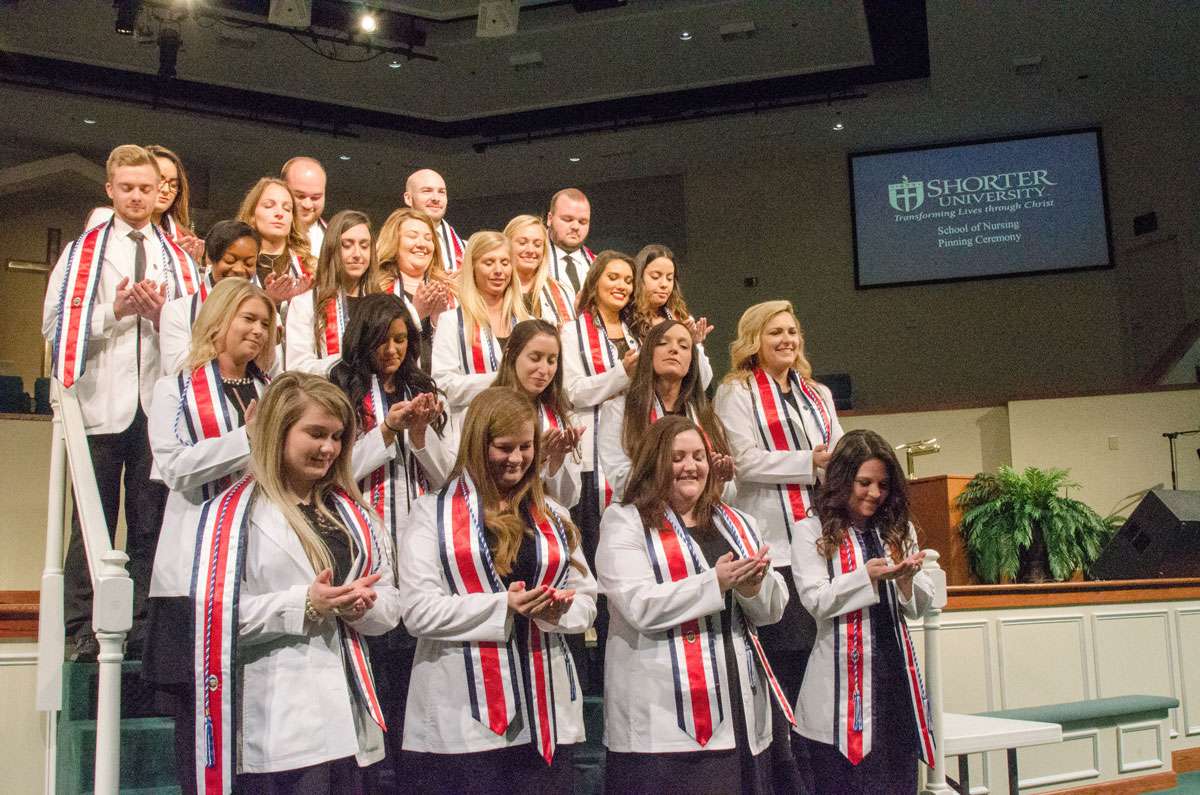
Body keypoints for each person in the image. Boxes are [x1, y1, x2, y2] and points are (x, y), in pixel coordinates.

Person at [188, 372, 401, 793]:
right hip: (281, 723)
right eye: (316, 433)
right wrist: (304, 604)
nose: (329, 448)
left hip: (351, 722)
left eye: (338, 437)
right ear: (279, 431)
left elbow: (391, 604)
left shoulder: (354, 514)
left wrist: (364, 606)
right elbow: (214, 623)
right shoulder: (229, 516)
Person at [42, 143, 203, 661]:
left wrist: (161, 317)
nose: (137, 196)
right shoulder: (83, 251)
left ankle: (141, 629)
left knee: (149, 520)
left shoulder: (176, 257)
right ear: (110, 190)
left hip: (156, 407)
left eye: (146, 188)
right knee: (93, 517)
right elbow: (53, 327)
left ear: (161, 194)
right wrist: (112, 311)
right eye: (127, 188)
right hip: (99, 405)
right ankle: (82, 627)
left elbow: (199, 330)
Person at [396, 387, 596, 794]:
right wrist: (503, 606)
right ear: (476, 443)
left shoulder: (553, 515)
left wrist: (558, 612)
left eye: (526, 446)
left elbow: (588, 598)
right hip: (462, 719)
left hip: (546, 713)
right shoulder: (430, 513)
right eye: (504, 447)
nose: (518, 459)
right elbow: (416, 612)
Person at [596, 416, 791, 795]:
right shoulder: (624, 522)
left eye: (699, 456)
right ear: (654, 463)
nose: (691, 466)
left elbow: (773, 609)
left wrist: (753, 587)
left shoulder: (738, 522)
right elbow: (639, 607)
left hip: (736, 707)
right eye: (677, 457)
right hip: (662, 717)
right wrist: (714, 582)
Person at [143, 277, 276, 792]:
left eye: (265, 323)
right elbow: (175, 469)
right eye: (248, 319)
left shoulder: (272, 390)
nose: (258, 331)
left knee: (255, 708)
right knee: (196, 719)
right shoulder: (173, 388)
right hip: (194, 568)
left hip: (257, 564)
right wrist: (247, 437)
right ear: (218, 321)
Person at [713, 299, 845, 791]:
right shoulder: (736, 392)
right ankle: (787, 774)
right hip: (774, 545)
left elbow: (841, 455)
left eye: (792, 331)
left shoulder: (819, 394)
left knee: (822, 660)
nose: (787, 340)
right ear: (754, 341)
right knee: (787, 664)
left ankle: (824, 767)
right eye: (775, 334)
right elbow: (744, 462)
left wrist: (835, 464)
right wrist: (810, 461)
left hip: (823, 544)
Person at [328, 292, 453, 790]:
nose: (394, 349)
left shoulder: (423, 388)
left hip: (419, 544)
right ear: (364, 337)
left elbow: (447, 478)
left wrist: (421, 434)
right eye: (384, 339)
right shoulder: (340, 386)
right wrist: (385, 430)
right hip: (363, 540)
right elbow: (338, 471)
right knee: (372, 661)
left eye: (402, 339)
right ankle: (371, 771)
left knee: (413, 666)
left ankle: (412, 768)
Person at [790, 430, 935, 795]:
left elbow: (919, 607)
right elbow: (816, 601)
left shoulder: (898, 529)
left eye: (883, 485)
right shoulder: (810, 530)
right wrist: (864, 578)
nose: (875, 493)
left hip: (893, 683)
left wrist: (905, 581)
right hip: (837, 690)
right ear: (841, 480)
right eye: (864, 482)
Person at [559, 250, 638, 563]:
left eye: (629, 280)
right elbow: (573, 392)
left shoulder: (636, 335)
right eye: (613, 277)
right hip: (592, 460)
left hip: (632, 454)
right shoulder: (570, 332)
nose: (622, 285)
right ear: (594, 283)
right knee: (595, 553)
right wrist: (622, 374)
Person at [598, 318, 732, 501]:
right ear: (647, 354)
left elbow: (730, 490)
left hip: (701, 517)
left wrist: (720, 481)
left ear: (691, 361)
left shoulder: (706, 416)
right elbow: (621, 479)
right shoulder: (618, 410)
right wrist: (685, 481)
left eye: (684, 346)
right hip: (645, 519)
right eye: (662, 343)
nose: (674, 349)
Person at [430, 230, 529, 413]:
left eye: (505, 263)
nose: (498, 271)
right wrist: (501, 380)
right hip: (474, 429)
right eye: (489, 262)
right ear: (473, 267)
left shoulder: (527, 323)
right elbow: (443, 386)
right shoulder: (452, 322)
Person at [494, 319, 584, 508]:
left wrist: (557, 461)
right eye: (535, 358)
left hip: (547, 527)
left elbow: (568, 500)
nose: (544, 370)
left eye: (552, 361)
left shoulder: (564, 417)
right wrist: (537, 459)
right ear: (511, 355)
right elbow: (480, 483)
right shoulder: (486, 410)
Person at [159, 220, 265, 375]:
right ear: (210, 257)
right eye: (230, 260)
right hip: (197, 395)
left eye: (249, 263)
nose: (239, 269)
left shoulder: (262, 314)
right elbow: (178, 368)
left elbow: (270, 367)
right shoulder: (177, 311)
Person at [285, 209, 380, 375]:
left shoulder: (382, 303)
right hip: (327, 396)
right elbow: (297, 367)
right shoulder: (305, 304)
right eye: (347, 245)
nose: (357, 254)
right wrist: (345, 363)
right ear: (331, 248)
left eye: (364, 246)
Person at [376, 206, 454, 368]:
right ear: (393, 241)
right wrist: (415, 314)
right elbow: (373, 344)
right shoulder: (376, 288)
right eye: (412, 236)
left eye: (428, 238)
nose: (422, 244)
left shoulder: (451, 288)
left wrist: (439, 320)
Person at [630, 243, 714, 387]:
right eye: (656, 277)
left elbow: (704, 383)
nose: (664, 284)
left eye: (669, 278)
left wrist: (694, 344)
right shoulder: (626, 319)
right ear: (638, 277)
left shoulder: (680, 319)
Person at [235, 176, 315, 299]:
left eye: (287, 209)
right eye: (269, 206)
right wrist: (270, 300)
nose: (279, 213)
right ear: (252, 215)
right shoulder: (235, 264)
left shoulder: (311, 267)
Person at [503, 214, 575, 326]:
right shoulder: (493, 291)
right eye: (522, 243)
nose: (530, 250)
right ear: (506, 246)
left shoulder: (563, 292)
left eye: (537, 245)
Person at [147, 145, 205, 261]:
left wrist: (189, 264)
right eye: (159, 180)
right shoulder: (111, 226)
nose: (166, 190)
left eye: (173, 185)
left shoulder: (187, 238)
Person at [403, 168, 465, 273]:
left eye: (441, 192)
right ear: (408, 198)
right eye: (427, 191)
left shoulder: (466, 250)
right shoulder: (391, 243)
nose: (436, 198)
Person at [544, 188, 594, 297]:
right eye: (567, 219)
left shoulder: (598, 264)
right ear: (549, 219)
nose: (575, 227)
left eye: (582, 222)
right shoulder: (530, 259)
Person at [282, 156, 328, 254]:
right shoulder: (259, 237)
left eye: (315, 197)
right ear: (282, 190)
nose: (307, 205)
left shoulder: (339, 240)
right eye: (300, 196)